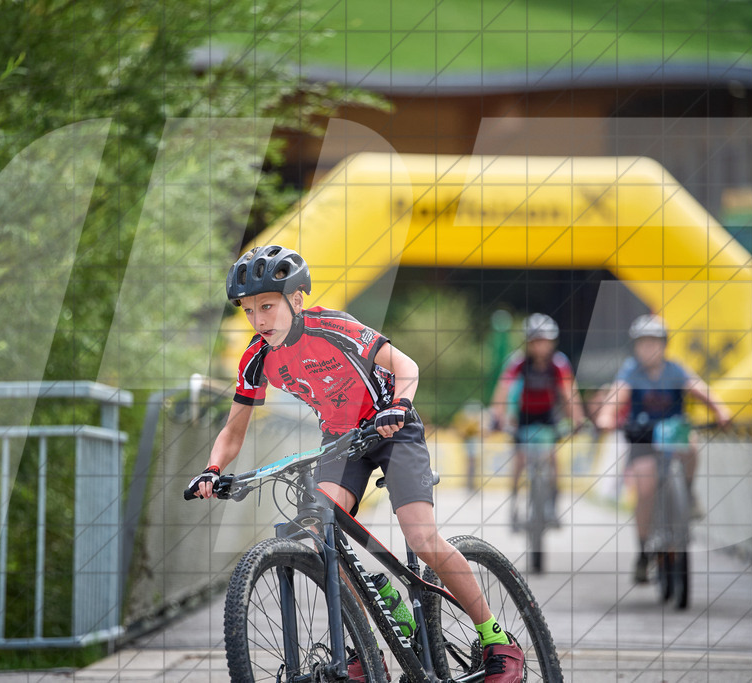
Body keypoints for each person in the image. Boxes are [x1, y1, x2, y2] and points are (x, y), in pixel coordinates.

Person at [190, 245, 524, 682]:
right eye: (250, 311)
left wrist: (399, 405)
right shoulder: (257, 357)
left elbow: (406, 365)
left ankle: (497, 639)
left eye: (267, 306)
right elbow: (234, 430)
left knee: (422, 537)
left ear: (296, 299)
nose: (259, 320)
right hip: (341, 441)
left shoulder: (333, 327)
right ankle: (367, 649)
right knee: (318, 532)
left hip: (392, 427)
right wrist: (213, 469)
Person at [594, 314, 731, 584]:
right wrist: (606, 417)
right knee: (645, 488)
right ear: (635, 347)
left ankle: (687, 494)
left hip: (673, 434)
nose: (648, 349)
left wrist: (720, 410)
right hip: (642, 437)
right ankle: (644, 549)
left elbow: (699, 390)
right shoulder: (630, 371)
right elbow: (616, 394)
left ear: (664, 345)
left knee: (691, 447)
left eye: (654, 343)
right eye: (643, 344)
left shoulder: (675, 370)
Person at [490, 313, 587, 530]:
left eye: (544, 341)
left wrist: (578, 420)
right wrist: (497, 417)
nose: (540, 346)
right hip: (524, 415)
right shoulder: (518, 362)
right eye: (535, 341)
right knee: (519, 460)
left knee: (553, 459)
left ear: (552, 342)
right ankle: (514, 504)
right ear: (528, 342)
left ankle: (553, 506)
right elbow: (502, 390)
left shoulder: (559, 364)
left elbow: (570, 394)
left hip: (549, 415)